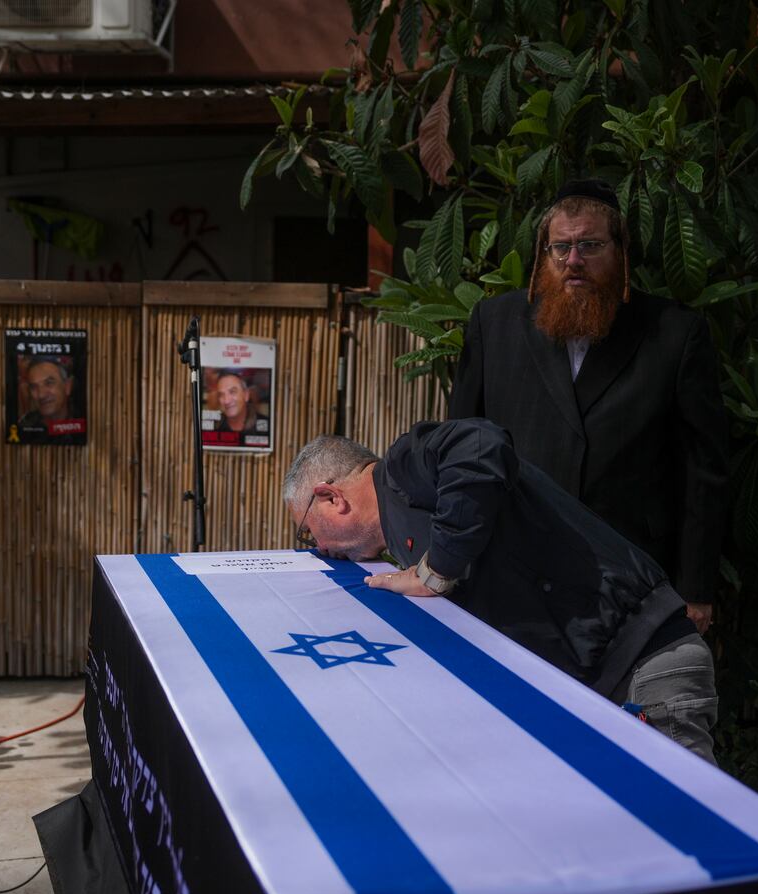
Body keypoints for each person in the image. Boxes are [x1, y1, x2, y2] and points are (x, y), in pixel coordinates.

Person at [283, 419, 718, 763]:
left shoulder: (402, 467)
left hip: (646, 666)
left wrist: (435, 571)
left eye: (308, 533)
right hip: (604, 680)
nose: (320, 549)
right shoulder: (398, 524)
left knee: (702, 836)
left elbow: (478, 443)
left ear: (330, 497)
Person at [448, 178, 731, 634]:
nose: (573, 261)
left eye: (590, 245)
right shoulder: (493, 324)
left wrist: (696, 588)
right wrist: (447, 562)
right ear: (544, 253)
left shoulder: (675, 335)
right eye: (561, 247)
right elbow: (461, 450)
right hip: (513, 574)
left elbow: (703, 472)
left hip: (631, 578)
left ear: (621, 251)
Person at [19, 355, 77, 429]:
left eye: (49, 383)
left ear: (67, 386)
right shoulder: (25, 425)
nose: (41, 395)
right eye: (34, 387)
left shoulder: (86, 421)